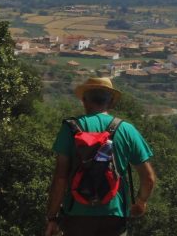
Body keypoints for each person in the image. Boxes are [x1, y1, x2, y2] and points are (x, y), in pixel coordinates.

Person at [44, 77, 156, 236]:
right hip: (114, 214)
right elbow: (148, 178)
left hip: (77, 215)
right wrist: (141, 202)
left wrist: (52, 217)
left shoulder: (69, 129)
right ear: (110, 103)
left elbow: (60, 178)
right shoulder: (126, 129)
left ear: (84, 101)